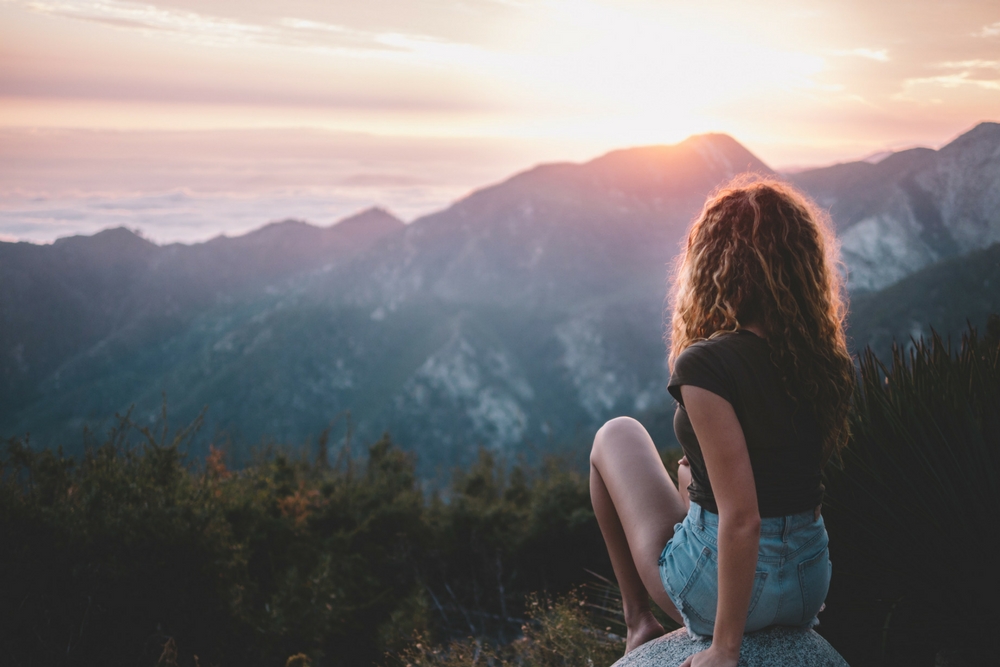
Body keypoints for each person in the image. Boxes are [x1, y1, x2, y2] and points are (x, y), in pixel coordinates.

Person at [589, 177, 855, 667]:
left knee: (615, 435)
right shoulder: (820, 360)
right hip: (807, 584)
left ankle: (638, 623)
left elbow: (743, 517)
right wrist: (697, 483)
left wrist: (724, 649)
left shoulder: (705, 365)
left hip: (724, 591)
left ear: (716, 265)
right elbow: (783, 480)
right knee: (692, 486)